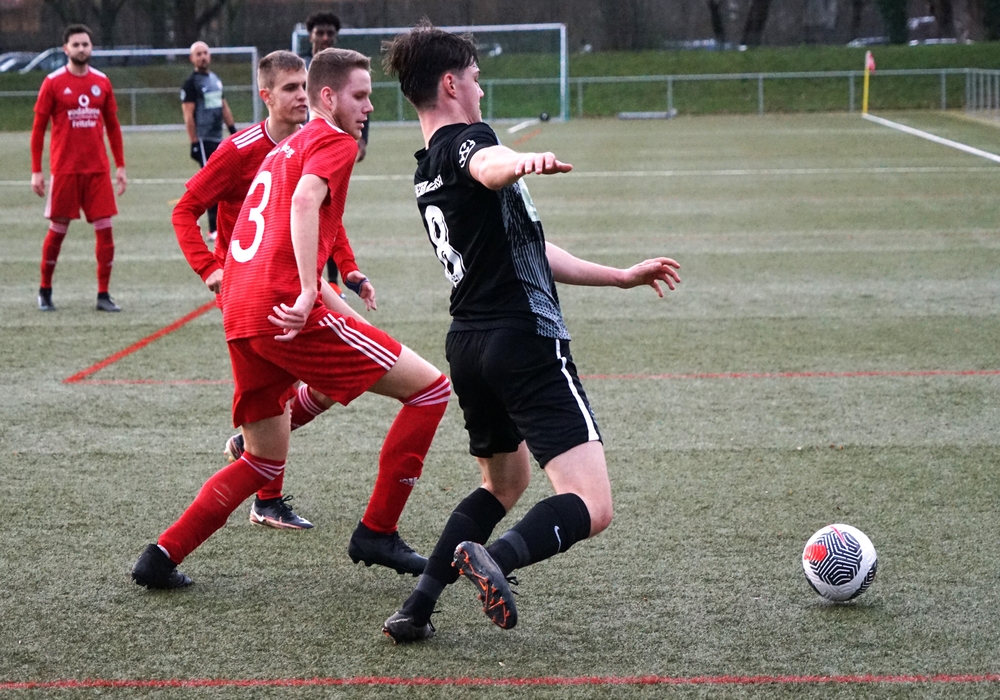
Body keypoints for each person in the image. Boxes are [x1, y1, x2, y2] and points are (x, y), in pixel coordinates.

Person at [380, 23, 682, 642]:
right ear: (450, 83)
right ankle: (496, 559)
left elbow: (529, 249)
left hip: (469, 345)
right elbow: (488, 164)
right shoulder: (472, 143)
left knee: (504, 483)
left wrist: (620, 277)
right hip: (523, 339)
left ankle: (416, 608)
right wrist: (518, 162)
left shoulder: (425, 169)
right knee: (593, 504)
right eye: (475, 78)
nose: (480, 89)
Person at [131, 47, 451, 590]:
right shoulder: (333, 141)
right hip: (282, 308)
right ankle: (377, 531)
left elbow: (287, 226)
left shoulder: (284, 148)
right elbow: (304, 205)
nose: (369, 106)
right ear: (330, 97)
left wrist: (333, 287)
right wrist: (307, 290)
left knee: (261, 460)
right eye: (360, 96)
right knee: (430, 391)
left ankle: (160, 556)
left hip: (241, 309)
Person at [173, 50, 376, 531]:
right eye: (289, 88)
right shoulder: (238, 150)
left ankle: (252, 451)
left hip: (301, 280)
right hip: (255, 286)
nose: (301, 95)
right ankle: (266, 497)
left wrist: (348, 270)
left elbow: (325, 214)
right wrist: (210, 269)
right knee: (286, 387)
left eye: (304, 85)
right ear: (265, 96)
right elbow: (184, 209)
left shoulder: (312, 140)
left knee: (349, 371)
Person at [30, 24, 126, 313]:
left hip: (97, 170)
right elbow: (38, 130)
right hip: (65, 170)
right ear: (66, 49)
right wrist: (37, 170)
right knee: (57, 231)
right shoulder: (53, 82)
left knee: (106, 232)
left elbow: (113, 127)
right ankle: (45, 290)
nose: (81, 49)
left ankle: (103, 295)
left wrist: (120, 165)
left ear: (91, 47)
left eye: (85, 44)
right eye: (76, 45)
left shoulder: (102, 81)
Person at [301, 10, 370, 293]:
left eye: (330, 33)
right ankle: (309, 284)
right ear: (310, 36)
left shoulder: (344, 70)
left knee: (326, 212)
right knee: (308, 208)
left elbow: (358, 104)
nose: (325, 37)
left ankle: (329, 281)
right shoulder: (301, 68)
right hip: (304, 147)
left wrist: (361, 140)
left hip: (327, 145)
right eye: (320, 32)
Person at [181, 41, 237, 241]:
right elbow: (188, 115)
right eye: (198, 54)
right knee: (212, 183)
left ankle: (221, 226)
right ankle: (213, 229)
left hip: (218, 138)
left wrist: (233, 131)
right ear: (192, 59)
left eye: (205, 53)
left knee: (222, 182)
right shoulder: (191, 83)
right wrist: (194, 142)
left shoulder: (215, 79)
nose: (203, 57)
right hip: (204, 140)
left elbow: (223, 106)